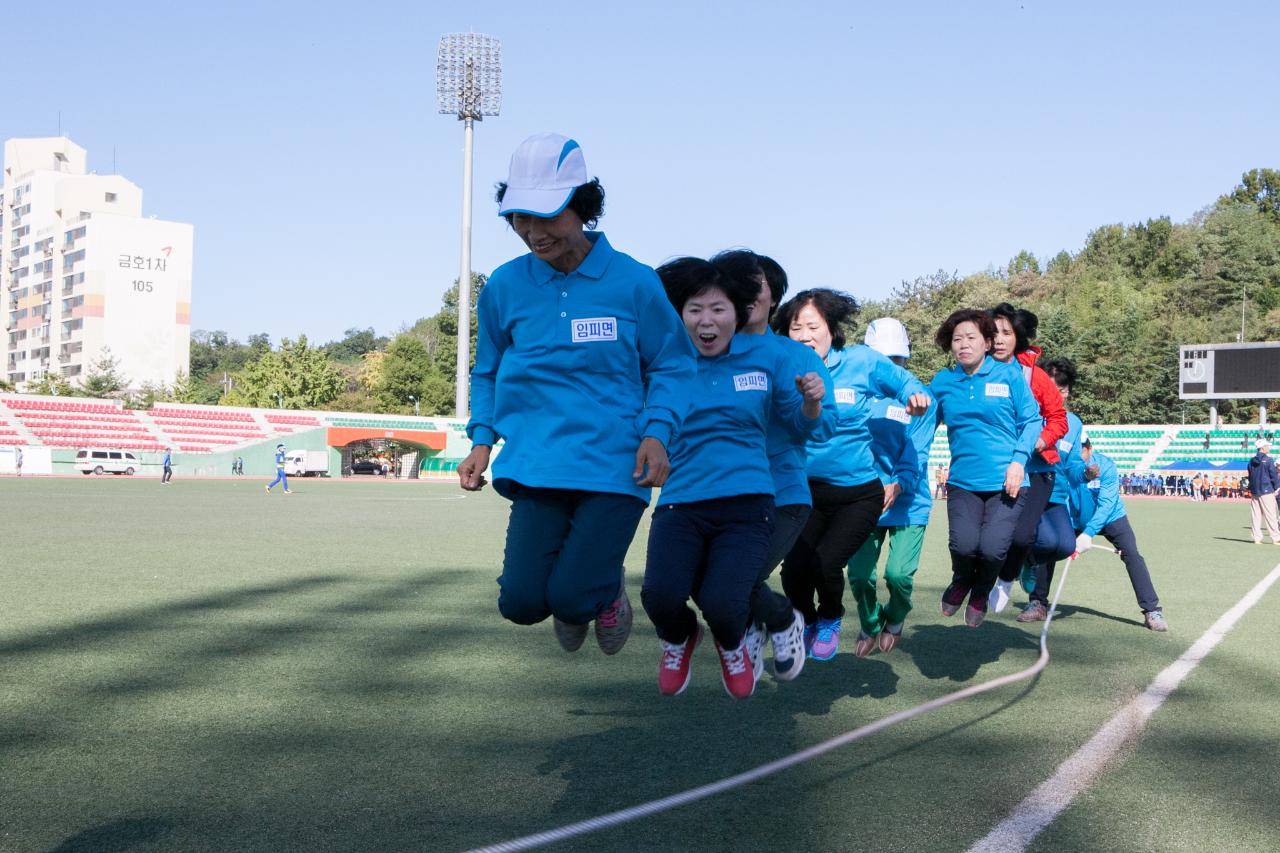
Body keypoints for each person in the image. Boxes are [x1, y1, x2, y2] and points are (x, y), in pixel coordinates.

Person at [458, 132, 696, 657]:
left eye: (548, 216)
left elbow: (673, 366)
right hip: (537, 462)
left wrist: (658, 432)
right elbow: (487, 371)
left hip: (616, 465)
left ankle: (600, 593)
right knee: (520, 604)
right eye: (520, 217)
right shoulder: (503, 286)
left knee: (570, 598)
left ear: (582, 207)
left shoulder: (634, 282)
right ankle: (593, 589)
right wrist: (480, 440)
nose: (533, 232)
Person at [641, 257, 826, 698]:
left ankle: (758, 630)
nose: (707, 319)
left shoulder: (776, 356)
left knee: (726, 594)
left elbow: (803, 426)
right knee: (668, 594)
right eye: (695, 308)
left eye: (719, 307)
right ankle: (695, 636)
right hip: (683, 500)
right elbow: (652, 414)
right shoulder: (668, 362)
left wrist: (811, 402)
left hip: (765, 495)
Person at [775, 289, 931, 660]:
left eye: (813, 326)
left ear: (832, 329)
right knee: (794, 569)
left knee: (827, 563)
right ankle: (807, 620)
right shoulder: (781, 365)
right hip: (802, 491)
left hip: (856, 493)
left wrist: (915, 395)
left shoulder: (861, 362)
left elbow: (906, 382)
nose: (805, 335)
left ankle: (830, 618)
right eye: (796, 327)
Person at [709, 250, 837, 683]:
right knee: (711, 581)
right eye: (735, 283)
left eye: (755, 286)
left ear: (773, 298)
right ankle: (768, 620)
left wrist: (811, 402)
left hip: (780, 493)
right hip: (716, 491)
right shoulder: (703, 347)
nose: (745, 295)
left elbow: (820, 431)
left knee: (735, 579)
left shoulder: (797, 357)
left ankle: (778, 620)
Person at [929, 309, 1039, 627]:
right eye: (956, 339)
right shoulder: (944, 382)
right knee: (963, 545)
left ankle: (981, 591)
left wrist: (1019, 461)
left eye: (971, 338)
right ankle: (962, 579)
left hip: (1009, 480)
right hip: (964, 480)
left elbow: (1031, 420)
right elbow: (923, 422)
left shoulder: (1009, 376)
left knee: (992, 550)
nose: (963, 344)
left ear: (988, 343)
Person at [844, 318, 938, 655]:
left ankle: (895, 617)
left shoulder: (922, 400)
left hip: (907, 500)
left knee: (898, 575)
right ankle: (870, 624)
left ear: (905, 360)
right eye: (882, 361)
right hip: (861, 498)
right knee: (858, 576)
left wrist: (897, 484)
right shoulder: (853, 396)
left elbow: (918, 449)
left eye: (896, 360)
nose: (889, 367)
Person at [986, 303, 1067, 614]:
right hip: (995, 467)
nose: (1001, 339)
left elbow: (1058, 417)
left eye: (1008, 333)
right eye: (994, 333)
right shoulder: (974, 372)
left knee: (1022, 535)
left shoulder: (1035, 375)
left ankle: (1009, 576)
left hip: (1036, 469)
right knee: (990, 537)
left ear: (1018, 337)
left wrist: (1040, 440)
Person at [1073, 440, 1169, 632]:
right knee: (1049, 546)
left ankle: (1151, 610)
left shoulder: (1106, 466)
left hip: (1110, 518)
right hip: (1076, 518)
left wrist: (1088, 533)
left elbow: (1107, 504)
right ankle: (1038, 603)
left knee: (1132, 555)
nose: (1077, 454)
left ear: (1090, 449)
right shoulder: (1066, 465)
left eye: (1081, 450)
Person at [1019, 358, 1087, 622]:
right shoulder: (1031, 416)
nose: (1056, 391)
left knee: (1064, 546)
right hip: (1031, 486)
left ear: (1068, 390)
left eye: (1061, 387)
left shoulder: (1074, 423)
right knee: (1042, 541)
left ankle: (1026, 560)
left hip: (1057, 492)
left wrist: (1085, 473)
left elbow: (1074, 466)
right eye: (1050, 385)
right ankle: (1037, 600)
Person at [1247, 439, 1280, 544]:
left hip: (1255, 491)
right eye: (1267, 446)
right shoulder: (1269, 460)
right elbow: (1273, 476)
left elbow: (1250, 475)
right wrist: (1277, 487)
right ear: (1262, 447)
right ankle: (1275, 537)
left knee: (1256, 515)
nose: (1269, 447)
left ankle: (1257, 538)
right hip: (1266, 490)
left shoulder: (1251, 460)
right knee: (1271, 515)